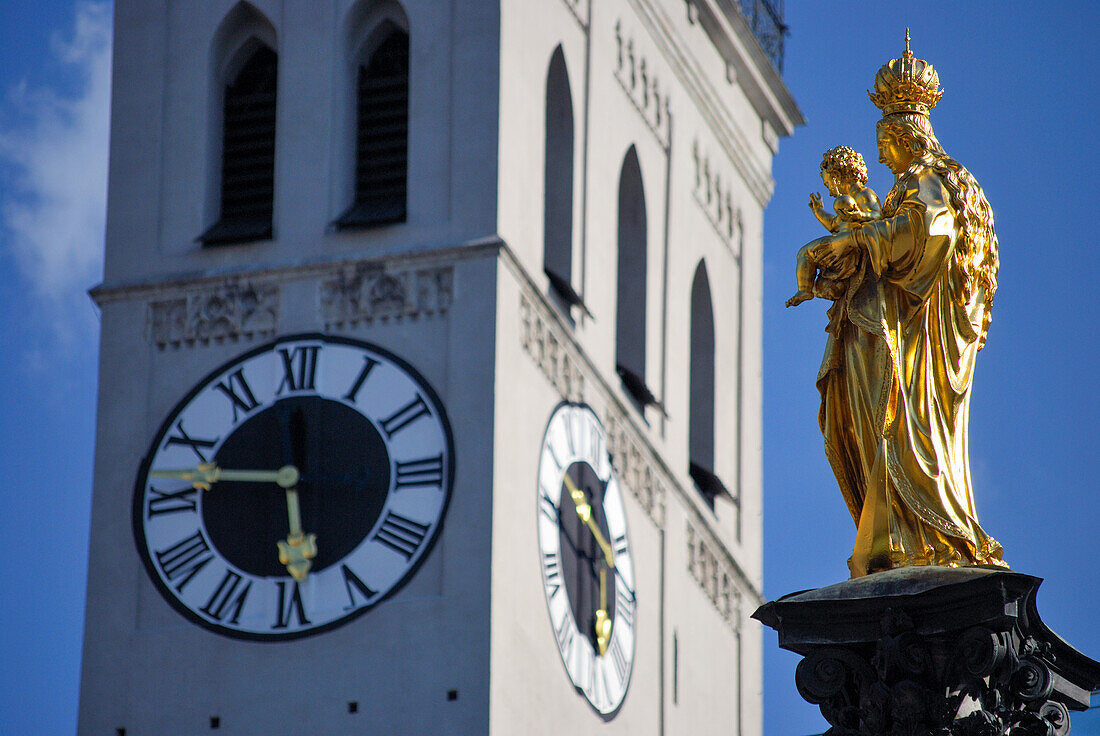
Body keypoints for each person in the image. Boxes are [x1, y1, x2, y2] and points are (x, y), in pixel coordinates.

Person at [798, 41, 1008, 577]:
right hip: (890, 329)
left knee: (899, 428)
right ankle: (896, 534)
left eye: (885, 143)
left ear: (903, 137)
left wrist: (854, 244)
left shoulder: (931, 179)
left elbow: (921, 236)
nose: (883, 158)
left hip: (911, 347)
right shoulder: (910, 186)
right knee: (871, 430)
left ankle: (916, 535)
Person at [787, 146, 882, 307]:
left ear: (837, 177)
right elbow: (834, 225)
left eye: (828, 184)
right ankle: (828, 288)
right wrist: (818, 211)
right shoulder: (847, 201)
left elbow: (878, 216)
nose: (830, 192)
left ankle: (806, 290)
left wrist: (859, 216)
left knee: (806, 253)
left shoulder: (864, 194)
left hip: (851, 243)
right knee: (816, 274)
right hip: (842, 243)